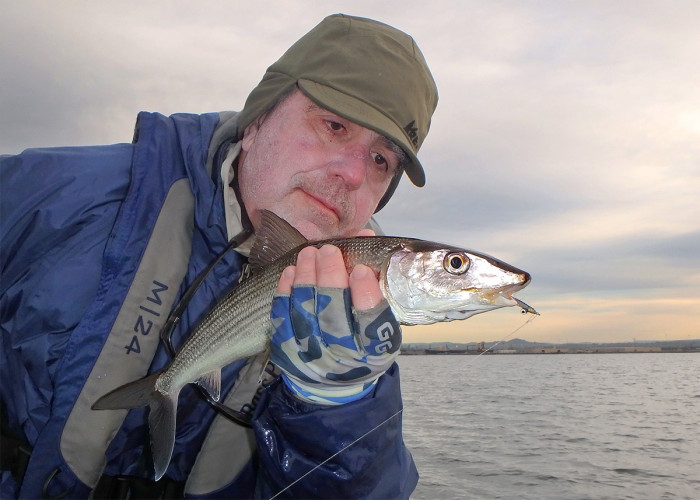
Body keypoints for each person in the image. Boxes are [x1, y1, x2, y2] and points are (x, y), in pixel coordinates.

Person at [0, 13, 438, 499]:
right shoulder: (52, 195)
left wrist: (338, 409)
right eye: (333, 125)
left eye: (381, 161)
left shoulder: (359, 329)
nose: (353, 175)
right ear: (256, 122)